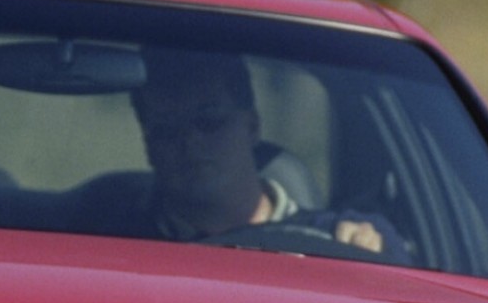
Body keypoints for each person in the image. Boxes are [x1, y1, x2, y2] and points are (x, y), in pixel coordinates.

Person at [128, 49, 388, 253]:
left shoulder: (337, 239)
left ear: (252, 127)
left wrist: (368, 250)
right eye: (167, 131)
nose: (190, 142)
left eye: (210, 122)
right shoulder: (113, 240)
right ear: (148, 146)